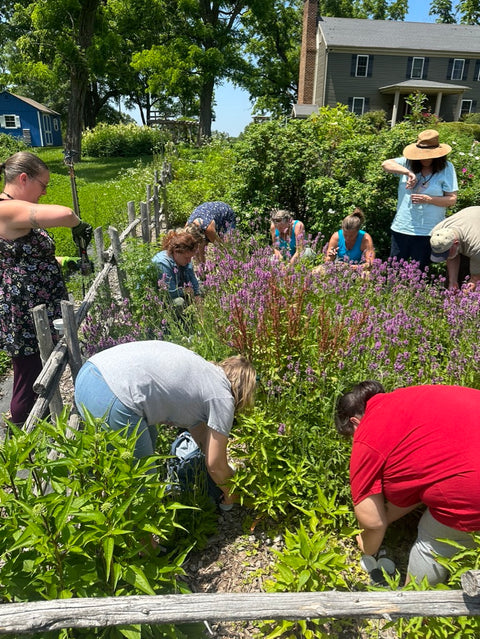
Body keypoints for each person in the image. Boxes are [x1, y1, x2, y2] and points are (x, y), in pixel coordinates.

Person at [74, 340, 257, 506]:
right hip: (113, 396)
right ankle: (146, 542)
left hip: (89, 375)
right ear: (242, 393)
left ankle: (104, 504)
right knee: (144, 479)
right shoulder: (222, 396)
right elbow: (215, 464)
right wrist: (233, 493)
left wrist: (224, 474)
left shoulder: (204, 373)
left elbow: (202, 439)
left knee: (146, 440)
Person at [335, 381, 480, 586]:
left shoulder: (366, 434)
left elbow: (373, 522)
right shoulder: (408, 398)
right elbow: (422, 478)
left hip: (474, 487)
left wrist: (366, 546)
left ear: (355, 422)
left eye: (351, 437)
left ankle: (415, 609)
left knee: (433, 541)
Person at [0, 151, 92, 425]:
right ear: (24, 178)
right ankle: (22, 437)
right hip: (26, 309)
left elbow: (23, 255)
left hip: (35, 305)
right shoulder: (6, 208)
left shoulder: (15, 211)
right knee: (29, 376)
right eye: (43, 185)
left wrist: (64, 261)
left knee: (36, 368)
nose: (44, 192)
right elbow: (64, 213)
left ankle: (35, 426)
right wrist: (79, 224)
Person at [381, 129, 458, 271]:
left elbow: (452, 199)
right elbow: (385, 164)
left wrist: (429, 199)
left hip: (428, 230)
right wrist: (408, 172)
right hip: (402, 227)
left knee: (419, 272)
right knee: (394, 269)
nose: (425, 159)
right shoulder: (407, 163)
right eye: (421, 155)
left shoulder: (447, 168)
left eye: (429, 155)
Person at [151, 228, 202, 313]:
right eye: (186, 257)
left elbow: (193, 282)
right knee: (179, 302)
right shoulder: (162, 264)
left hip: (180, 290)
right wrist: (185, 290)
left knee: (203, 288)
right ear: (176, 252)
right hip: (160, 299)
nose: (189, 261)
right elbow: (170, 293)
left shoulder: (184, 261)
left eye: (190, 257)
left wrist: (197, 296)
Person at [430, 206, 480, 290]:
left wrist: (467, 292)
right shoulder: (437, 233)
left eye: (446, 253)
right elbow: (451, 256)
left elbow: (476, 278)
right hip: (470, 219)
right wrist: (452, 281)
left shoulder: (476, 246)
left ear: (456, 243)